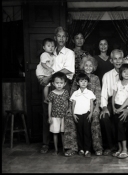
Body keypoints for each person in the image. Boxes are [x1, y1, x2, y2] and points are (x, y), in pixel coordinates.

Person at [39, 26, 75, 154]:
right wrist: (44, 78)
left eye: (63, 36)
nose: (61, 38)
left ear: (67, 38)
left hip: (63, 85)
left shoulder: (69, 53)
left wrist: (50, 77)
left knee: (64, 114)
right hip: (50, 85)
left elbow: (67, 70)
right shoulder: (49, 52)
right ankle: (46, 143)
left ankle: (66, 145)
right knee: (47, 113)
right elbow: (43, 66)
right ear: (55, 38)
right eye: (58, 36)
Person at [100, 49, 128, 156]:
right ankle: (111, 146)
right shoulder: (107, 75)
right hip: (113, 101)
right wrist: (104, 107)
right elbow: (104, 93)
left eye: (120, 58)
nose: (118, 61)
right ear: (111, 61)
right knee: (104, 118)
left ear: (123, 59)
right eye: (115, 59)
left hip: (127, 103)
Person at [66, 55, 104, 156]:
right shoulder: (77, 78)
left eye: (90, 66)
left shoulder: (96, 78)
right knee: (69, 117)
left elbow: (98, 94)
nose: (88, 67)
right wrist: (70, 108)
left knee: (95, 117)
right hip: (78, 107)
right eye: (86, 65)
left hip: (91, 106)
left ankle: (97, 148)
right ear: (83, 66)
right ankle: (73, 148)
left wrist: (96, 108)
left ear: (94, 67)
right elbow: (72, 94)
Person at [111, 63, 128, 159]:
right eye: (124, 72)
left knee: (124, 124)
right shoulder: (117, 83)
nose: (126, 74)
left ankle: (125, 149)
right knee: (117, 125)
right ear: (120, 73)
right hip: (117, 106)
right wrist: (113, 107)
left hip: (126, 107)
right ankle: (120, 148)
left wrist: (121, 109)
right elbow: (113, 96)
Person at [70, 73, 96, 158]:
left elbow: (92, 104)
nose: (83, 83)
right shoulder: (75, 93)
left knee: (87, 132)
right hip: (77, 114)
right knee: (79, 132)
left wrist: (91, 113)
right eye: (81, 81)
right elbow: (73, 104)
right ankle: (81, 149)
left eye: (85, 81)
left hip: (86, 114)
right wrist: (73, 114)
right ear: (77, 83)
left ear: (88, 82)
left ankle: (87, 150)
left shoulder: (90, 92)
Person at [47, 72, 69, 155]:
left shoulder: (66, 92)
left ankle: (64, 149)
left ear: (65, 83)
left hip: (64, 116)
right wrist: (49, 116)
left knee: (63, 133)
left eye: (61, 83)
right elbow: (49, 105)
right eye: (57, 83)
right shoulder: (52, 93)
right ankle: (56, 150)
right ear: (53, 83)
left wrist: (68, 113)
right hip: (54, 116)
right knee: (55, 133)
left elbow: (67, 103)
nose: (59, 85)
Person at [36, 38, 56, 104]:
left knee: (48, 85)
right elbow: (43, 64)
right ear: (44, 47)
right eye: (48, 46)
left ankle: (46, 98)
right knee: (46, 85)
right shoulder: (44, 54)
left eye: (52, 46)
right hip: (41, 74)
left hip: (45, 74)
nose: (51, 48)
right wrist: (49, 68)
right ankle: (46, 98)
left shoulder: (51, 55)